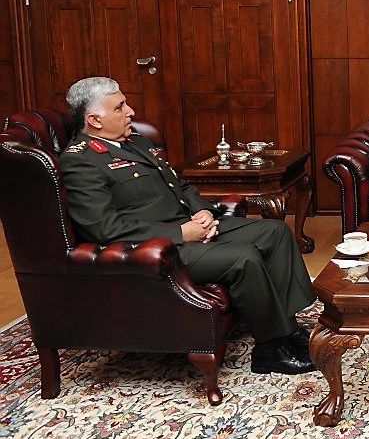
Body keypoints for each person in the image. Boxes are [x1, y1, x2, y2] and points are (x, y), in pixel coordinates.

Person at [59, 77, 317, 375]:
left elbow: (179, 185)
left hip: (189, 227)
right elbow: (104, 229)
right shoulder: (81, 162)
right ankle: (270, 351)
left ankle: (286, 328)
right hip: (158, 247)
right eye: (120, 107)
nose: (130, 111)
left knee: (276, 232)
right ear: (95, 120)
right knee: (244, 258)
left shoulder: (136, 142)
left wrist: (203, 213)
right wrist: (181, 233)